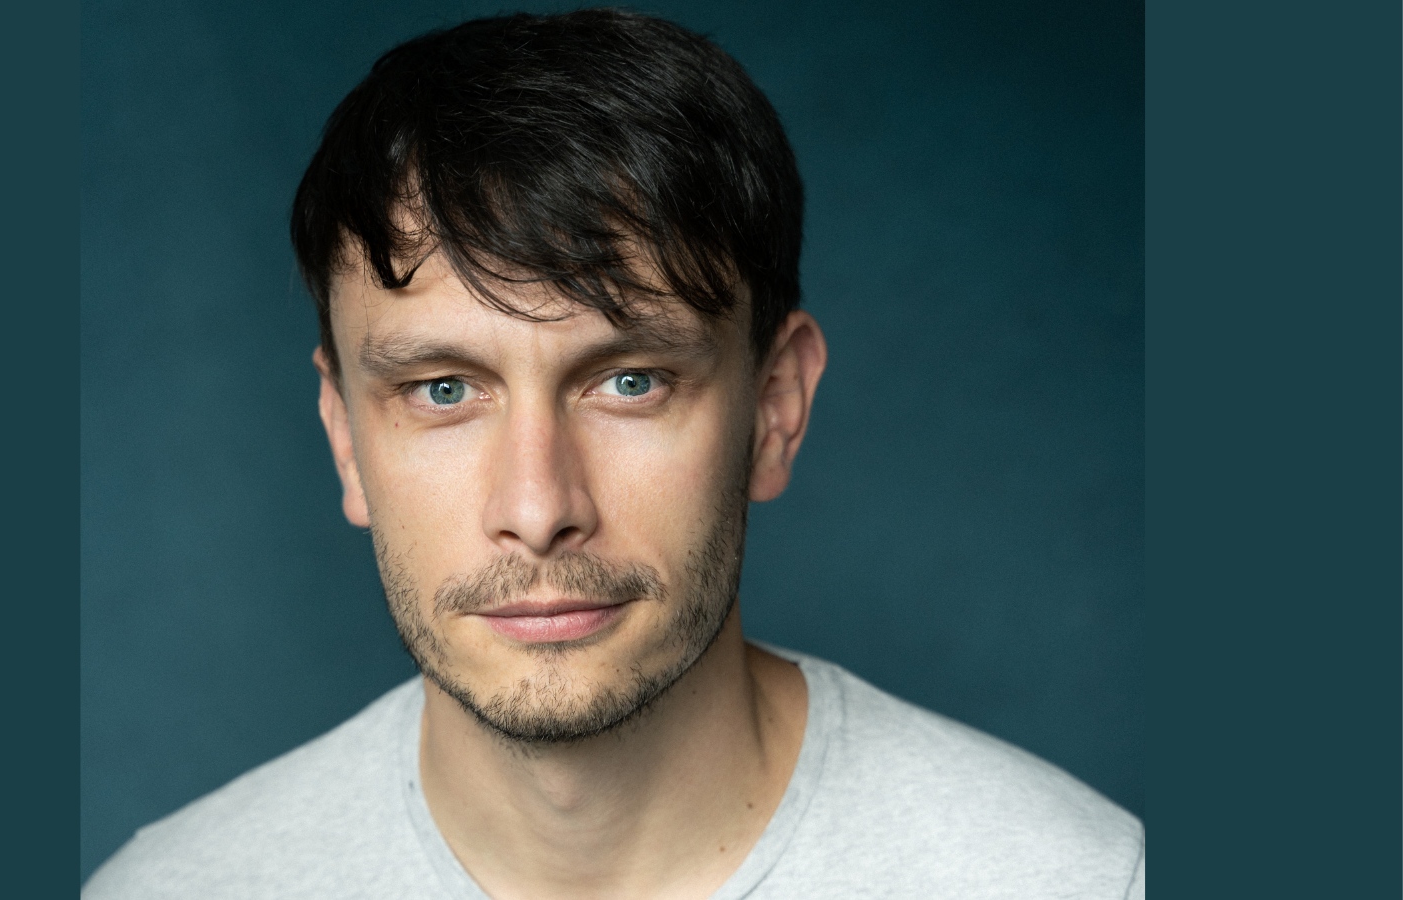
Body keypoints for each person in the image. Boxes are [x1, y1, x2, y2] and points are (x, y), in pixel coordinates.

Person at [84, 9, 1143, 899]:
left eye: (628, 380)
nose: (538, 505)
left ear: (775, 406)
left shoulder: (1073, 882)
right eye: (443, 390)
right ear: (344, 439)